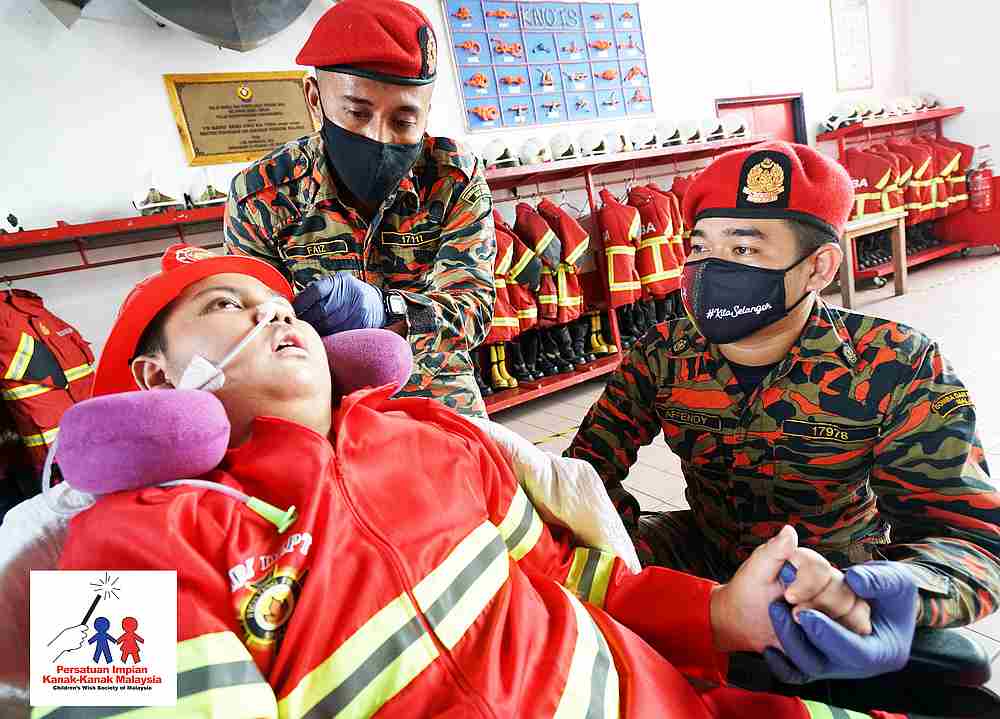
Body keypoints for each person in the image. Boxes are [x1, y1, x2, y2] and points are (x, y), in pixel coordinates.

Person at [37, 243, 924, 719]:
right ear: (158, 385)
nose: (277, 315)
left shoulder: (429, 432)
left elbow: (585, 583)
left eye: (283, 305)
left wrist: (719, 613)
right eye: (226, 306)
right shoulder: (114, 547)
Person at [567, 141, 1000, 682]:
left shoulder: (896, 361)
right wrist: (626, 553)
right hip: (703, 557)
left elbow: (970, 536)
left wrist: (886, 592)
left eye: (744, 251)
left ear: (819, 267)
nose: (710, 269)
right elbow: (582, 480)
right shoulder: (663, 351)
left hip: (831, 579)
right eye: (701, 248)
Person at [224, 0, 496, 418]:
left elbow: (473, 308)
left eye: (404, 121)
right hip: (322, 401)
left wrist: (390, 310)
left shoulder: (451, 178)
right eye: (356, 112)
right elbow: (251, 329)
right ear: (315, 99)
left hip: (436, 393)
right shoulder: (262, 196)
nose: (379, 136)